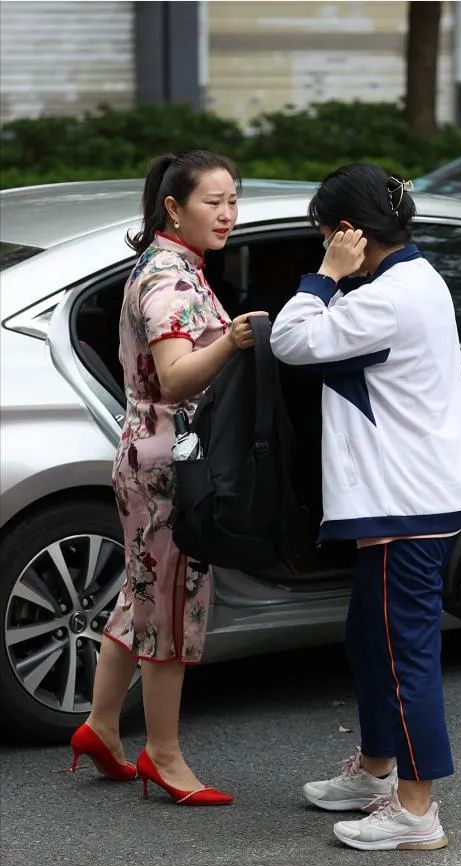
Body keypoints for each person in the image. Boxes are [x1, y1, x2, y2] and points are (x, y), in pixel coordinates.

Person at [270, 164, 461, 850]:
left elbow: (292, 339)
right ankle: (377, 769)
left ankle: (415, 809)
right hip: (413, 497)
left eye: (324, 232)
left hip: (404, 506)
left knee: (402, 655)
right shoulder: (411, 280)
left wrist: (322, 275)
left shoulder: (386, 298)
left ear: (347, 232)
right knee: (372, 642)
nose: (321, 242)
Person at [70, 150, 267, 806]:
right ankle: (165, 754)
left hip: (145, 454)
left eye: (232, 201)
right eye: (214, 202)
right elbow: (178, 374)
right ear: (174, 208)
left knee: (141, 592)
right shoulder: (170, 279)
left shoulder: (163, 264)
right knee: (172, 608)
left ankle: (101, 726)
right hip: (172, 467)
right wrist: (234, 340)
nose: (228, 214)